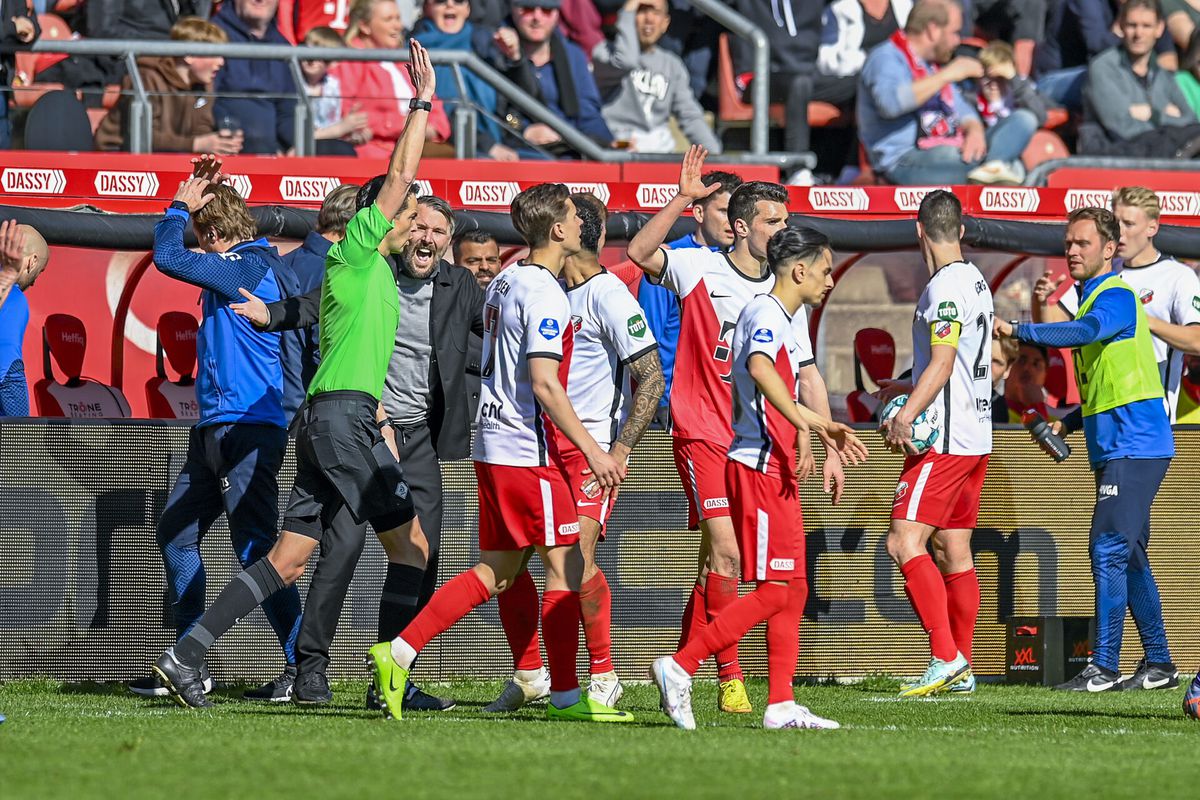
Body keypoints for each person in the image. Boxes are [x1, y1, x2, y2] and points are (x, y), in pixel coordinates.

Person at [150, 39, 437, 710]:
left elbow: (305, 310)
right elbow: (398, 172)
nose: (418, 216)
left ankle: (185, 655)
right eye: (412, 209)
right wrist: (420, 102)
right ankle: (389, 680)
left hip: (323, 421)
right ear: (378, 216)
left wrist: (273, 313)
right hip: (341, 420)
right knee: (413, 546)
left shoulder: (362, 274)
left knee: (286, 559)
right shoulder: (362, 248)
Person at [366, 183, 630, 724]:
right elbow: (544, 384)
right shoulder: (545, 293)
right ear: (558, 229)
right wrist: (594, 452)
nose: (584, 227)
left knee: (498, 572)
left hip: (492, 447)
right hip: (527, 452)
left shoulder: (506, 280)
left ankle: (398, 652)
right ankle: (565, 696)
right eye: (576, 219)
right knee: (566, 566)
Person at [235, 192, 485, 711]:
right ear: (403, 229)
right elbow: (315, 302)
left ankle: (391, 677)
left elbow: (503, 327)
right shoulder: (372, 264)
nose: (427, 238)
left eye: (439, 232)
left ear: (448, 243)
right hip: (362, 429)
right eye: (419, 226)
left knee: (421, 557)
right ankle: (309, 669)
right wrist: (271, 314)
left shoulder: (460, 285)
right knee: (340, 551)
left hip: (418, 439)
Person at [628, 147, 850, 714]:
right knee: (728, 558)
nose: (782, 230)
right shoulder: (699, 268)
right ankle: (722, 673)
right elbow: (637, 252)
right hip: (706, 430)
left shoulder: (786, 299)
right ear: (742, 226)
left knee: (736, 569)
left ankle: (735, 683)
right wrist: (682, 198)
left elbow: (805, 372)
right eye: (773, 222)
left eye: (786, 221)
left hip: (762, 440)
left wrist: (817, 438)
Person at [131, 165, 305, 702]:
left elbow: (167, 257)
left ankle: (302, 668)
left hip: (248, 430)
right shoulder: (230, 268)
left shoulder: (247, 267)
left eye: (197, 231)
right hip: (214, 430)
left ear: (211, 232)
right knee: (178, 532)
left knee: (259, 554)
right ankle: (188, 665)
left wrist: (177, 207)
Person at [485, 192, 665, 712]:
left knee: (574, 562)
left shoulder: (610, 295)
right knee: (512, 567)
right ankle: (530, 673)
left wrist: (622, 449)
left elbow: (650, 377)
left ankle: (604, 675)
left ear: (574, 232)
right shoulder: (546, 287)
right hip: (537, 446)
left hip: (588, 454)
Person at [995, 206, 1177, 692]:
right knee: (1132, 554)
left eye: (1083, 243)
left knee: (1108, 549)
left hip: (1134, 446)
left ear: (1110, 250)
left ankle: (1105, 666)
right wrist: (1069, 422)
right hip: (1120, 443)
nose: (1072, 251)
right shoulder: (1098, 297)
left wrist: (1019, 330)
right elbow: (1107, 384)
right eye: (1069, 243)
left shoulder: (1115, 294)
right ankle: (1159, 664)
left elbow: (1082, 333)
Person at [877, 189, 994, 697]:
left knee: (903, 541)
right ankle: (961, 667)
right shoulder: (975, 279)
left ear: (918, 231)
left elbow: (945, 364)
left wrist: (906, 413)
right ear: (961, 230)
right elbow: (955, 363)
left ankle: (946, 658)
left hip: (944, 441)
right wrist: (908, 383)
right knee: (954, 548)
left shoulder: (944, 290)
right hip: (977, 437)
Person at [1034, 186, 1200, 428]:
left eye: (1129, 224)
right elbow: (1052, 326)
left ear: (1152, 227)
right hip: (1099, 412)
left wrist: (1139, 318)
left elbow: (1196, 341)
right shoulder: (1102, 271)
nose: (1119, 232)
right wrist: (1040, 301)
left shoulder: (1177, 276)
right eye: (1115, 222)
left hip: (1147, 420)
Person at [857, 0, 1035, 186]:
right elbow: (891, 104)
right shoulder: (886, 57)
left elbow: (964, 110)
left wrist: (974, 131)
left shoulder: (930, 66)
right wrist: (948, 74)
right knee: (1004, 164)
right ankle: (999, 166)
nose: (958, 41)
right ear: (933, 30)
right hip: (906, 161)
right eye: (955, 33)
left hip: (953, 147)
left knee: (1024, 119)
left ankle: (992, 168)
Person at [637, 170, 742, 422]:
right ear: (699, 213)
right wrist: (660, 402)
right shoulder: (668, 262)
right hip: (678, 408)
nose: (732, 221)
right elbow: (647, 340)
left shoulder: (744, 264)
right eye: (723, 211)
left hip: (729, 406)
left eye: (737, 213)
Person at [732, 0, 857, 170]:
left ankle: (854, 167)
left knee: (862, 82)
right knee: (799, 83)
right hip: (759, 75)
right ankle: (798, 170)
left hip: (809, 73)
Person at [272, 183, 358, 421]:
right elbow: (327, 353)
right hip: (309, 417)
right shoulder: (335, 271)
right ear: (355, 225)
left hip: (271, 412)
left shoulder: (282, 263)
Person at [592, 0, 722, 154]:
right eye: (641, 11)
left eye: (655, 12)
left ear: (665, 22)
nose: (649, 18)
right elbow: (625, 61)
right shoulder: (605, 53)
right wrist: (627, 11)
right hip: (617, 148)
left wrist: (716, 157)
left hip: (659, 153)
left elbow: (689, 115)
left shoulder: (672, 65)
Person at [96, 18, 241, 154]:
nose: (221, 62)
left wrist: (218, 141)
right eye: (214, 54)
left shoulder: (205, 85)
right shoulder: (146, 78)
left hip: (169, 157)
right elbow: (143, 135)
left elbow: (201, 127)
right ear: (189, 55)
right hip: (116, 156)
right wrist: (196, 144)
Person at [1080, 0, 1200, 158]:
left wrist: (1152, 114)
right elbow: (1122, 128)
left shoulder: (1163, 75)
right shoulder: (1102, 68)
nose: (1138, 34)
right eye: (1132, 25)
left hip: (1163, 157)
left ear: (1159, 29)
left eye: (1146, 26)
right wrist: (1167, 116)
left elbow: (1190, 122)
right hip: (1116, 159)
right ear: (1121, 26)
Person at [334, 0, 453, 160]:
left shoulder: (403, 60)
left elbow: (441, 124)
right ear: (364, 26)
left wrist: (404, 125)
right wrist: (412, 124)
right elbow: (348, 117)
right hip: (372, 157)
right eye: (388, 19)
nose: (397, 26)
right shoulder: (350, 61)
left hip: (415, 154)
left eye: (398, 18)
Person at [496, 0, 615, 155]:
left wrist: (611, 145)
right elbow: (493, 114)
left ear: (557, 13)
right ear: (512, 9)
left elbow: (588, 115)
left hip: (569, 155)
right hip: (519, 156)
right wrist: (523, 130)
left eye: (546, 10)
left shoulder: (573, 56)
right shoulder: (494, 51)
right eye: (527, 9)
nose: (537, 17)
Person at [412, 0, 520, 161]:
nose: (450, 5)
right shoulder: (414, 48)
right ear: (426, 7)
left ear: (468, 8)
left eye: (459, 1)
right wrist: (487, 145)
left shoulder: (488, 43)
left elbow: (521, 99)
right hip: (447, 147)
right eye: (440, 1)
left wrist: (515, 57)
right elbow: (443, 112)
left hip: (503, 140)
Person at [1035, 0, 1177, 112]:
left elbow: (1168, 59)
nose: (1139, 32)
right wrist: (1125, 20)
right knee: (1105, 76)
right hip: (1055, 80)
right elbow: (1098, 47)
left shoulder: (1145, 7)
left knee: (1174, 82)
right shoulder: (1089, 3)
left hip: (1116, 77)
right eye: (1132, 25)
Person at [212, 0, 299, 155]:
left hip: (274, 150)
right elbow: (203, 102)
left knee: (340, 151)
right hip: (230, 145)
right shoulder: (213, 37)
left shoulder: (282, 47)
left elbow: (288, 110)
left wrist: (295, 145)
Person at [299, 26, 373, 155]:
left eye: (322, 56)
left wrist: (350, 134)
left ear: (333, 62)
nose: (312, 60)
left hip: (325, 145)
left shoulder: (332, 86)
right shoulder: (294, 83)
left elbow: (331, 125)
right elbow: (301, 134)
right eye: (308, 52)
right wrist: (341, 128)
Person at [0, 222, 48, 417]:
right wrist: (20, 428)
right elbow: (9, 373)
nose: (35, 281)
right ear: (32, 261)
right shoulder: (15, 298)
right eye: (40, 271)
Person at [976, 40, 1049, 137]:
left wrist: (1014, 80)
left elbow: (1041, 118)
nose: (993, 85)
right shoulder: (974, 100)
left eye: (1000, 79)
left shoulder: (1023, 89)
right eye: (987, 79)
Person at [0, 1, 38, 148]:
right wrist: (13, 28)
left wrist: (30, 28)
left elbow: (33, 24)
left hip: (2, 82)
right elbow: (14, 27)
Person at [989, 335, 1018, 424]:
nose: (987, 366)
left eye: (996, 362)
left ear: (1008, 369)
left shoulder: (1001, 408)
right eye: (983, 358)